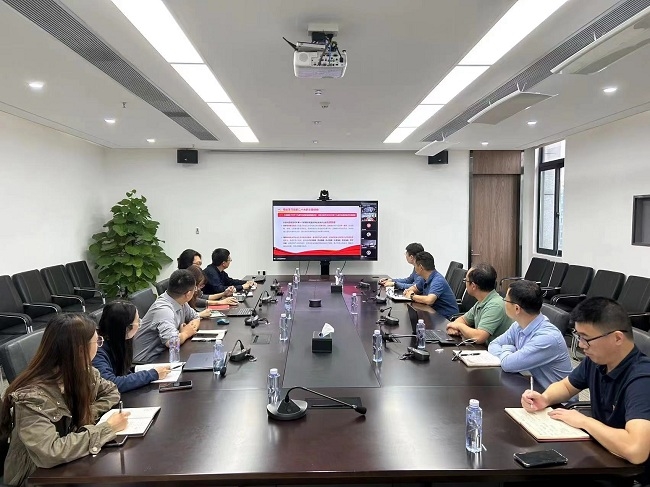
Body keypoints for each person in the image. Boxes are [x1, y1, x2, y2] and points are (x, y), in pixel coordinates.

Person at [520, 297, 650, 486]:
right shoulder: (597, 360)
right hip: (601, 456)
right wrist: (545, 398)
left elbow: (636, 450)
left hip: (629, 475)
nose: (581, 345)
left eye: (586, 338)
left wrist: (584, 422)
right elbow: (566, 386)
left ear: (617, 338)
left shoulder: (642, 380)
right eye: (578, 336)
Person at [0, 313, 129, 486]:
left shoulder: (83, 372)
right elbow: (50, 452)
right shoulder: (31, 397)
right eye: (97, 341)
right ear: (80, 350)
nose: (99, 346)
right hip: (35, 477)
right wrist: (107, 428)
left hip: (69, 462)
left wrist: (88, 412)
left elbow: (111, 391)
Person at [488, 280, 572, 389]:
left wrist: (508, 349)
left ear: (517, 308)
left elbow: (507, 365)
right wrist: (510, 355)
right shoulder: (518, 325)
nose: (504, 302)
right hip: (532, 387)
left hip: (555, 397)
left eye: (506, 300)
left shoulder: (547, 338)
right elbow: (493, 344)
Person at [93, 301, 171, 392]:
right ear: (126, 328)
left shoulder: (119, 340)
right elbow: (110, 384)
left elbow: (122, 372)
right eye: (138, 321)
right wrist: (152, 374)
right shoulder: (97, 349)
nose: (140, 324)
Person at [132, 269, 201, 363]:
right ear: (188, 294)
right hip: (147, 362)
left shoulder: (180, 301)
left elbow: (195, 317)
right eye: (195, 289)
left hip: (165, 354)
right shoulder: (164, 310)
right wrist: (186, 333)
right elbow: (172, 342)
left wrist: (188, 329)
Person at [445, 263, 512, 344]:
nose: (465, 283)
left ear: (473, 286)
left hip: (495, 350)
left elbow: (479, 337)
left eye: (466, 280)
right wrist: (454, 326)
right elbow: (463, 319)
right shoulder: (482, 301)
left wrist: (458, 326)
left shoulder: (495, 305)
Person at [404, 251, 459, 320]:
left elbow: (429, 300)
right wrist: (408, 291)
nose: (414, 269)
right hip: (433, 313)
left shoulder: (438, 280)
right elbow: (416, 288)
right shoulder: (424, 277)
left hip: (446, 318)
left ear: (421, 267)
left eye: (415, 266)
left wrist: (412, 296)